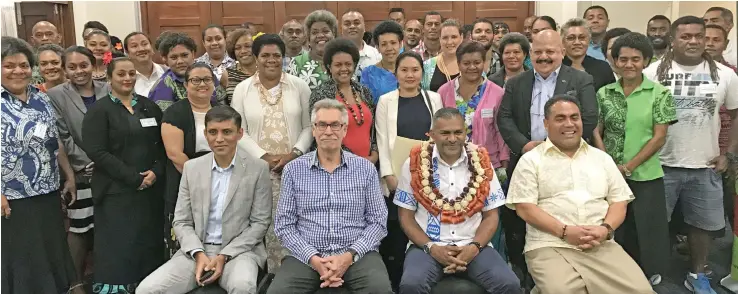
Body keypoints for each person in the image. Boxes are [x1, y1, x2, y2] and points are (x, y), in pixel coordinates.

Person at [506, 95, 655, 294]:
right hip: (550, 244)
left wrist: (605, 229)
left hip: (599, 243)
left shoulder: (601, 158)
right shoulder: (531, 160)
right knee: (561, 291)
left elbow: (619, 201)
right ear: (546, 123)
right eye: (560, 118)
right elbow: (525, 209)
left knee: (641, 290)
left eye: (574, 117)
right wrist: (565, 232)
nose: (569, 124)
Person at [496, 29, 597, 290]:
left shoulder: (581, 79)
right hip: (528, 158)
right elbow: (504, 118)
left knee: (561, 214)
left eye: (550, 51)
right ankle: (525, 269)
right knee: (521, 218)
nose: (544, 57)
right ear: (530, 55)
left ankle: (566, 272)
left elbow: (588, 118)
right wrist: (525, 145)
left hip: (567, 160)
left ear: (562, 52)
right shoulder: (516, 82)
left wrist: (558, 146)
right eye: (538, 52)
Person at [644, 16, 738, 293]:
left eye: (699, 35)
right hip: (659, 164)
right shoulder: (651, 73)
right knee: (655, 225)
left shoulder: (725, 75)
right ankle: (652, 271)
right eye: (686, 36)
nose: (694, 41)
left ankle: (697, 274)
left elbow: (735, 116)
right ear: (673, 40)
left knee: (703, 227)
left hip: (706, 164)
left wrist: (728, 154)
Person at [138, 105, 271, 294]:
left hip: (239, 252)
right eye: (213, 132)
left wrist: (224, 255)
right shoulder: (192, 168)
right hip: (196, 251)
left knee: (242, 286)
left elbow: (260, 223)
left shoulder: (258, 168)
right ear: (205, 134)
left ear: (240, 133)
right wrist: (198, 254)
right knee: (147, 290)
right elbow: (182, 221)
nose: (219, 139)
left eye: (227, 132)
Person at [268, 99, 392, 294]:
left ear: (344, 129)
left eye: (335, 125)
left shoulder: (365, 169)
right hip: (306, 256)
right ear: (314, 129)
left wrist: (349, 256)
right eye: (322, 125)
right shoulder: (293, 170)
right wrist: (314, 259)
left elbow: (378, 222)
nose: (328, 131)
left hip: (356, 254)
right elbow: (284, 225)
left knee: (380, 289)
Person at [395, 107, 520, 294]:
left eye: (458, 132)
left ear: (465, 132)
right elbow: (406, 217)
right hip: (428, 247)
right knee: (411, 285)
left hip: (474, 245)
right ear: (431, 135)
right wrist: (432, 248)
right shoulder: (414, 162)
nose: (452, 139)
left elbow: (492, 216)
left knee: (510, 284)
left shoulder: (482, 161)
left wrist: (474, 247)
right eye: (445, 133)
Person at [592, 32, 676, 285]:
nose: (629, 65)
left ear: (646, 61)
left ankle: (649, 275)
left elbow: (659, 137)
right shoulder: (604, 93)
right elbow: (597, 129)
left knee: (647, 230)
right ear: (615, 61)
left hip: (645, 174)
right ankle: (618, 274)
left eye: (635, 59)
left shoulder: (659, 93)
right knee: (617, 227)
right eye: (623, 59)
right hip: (610, 174)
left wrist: (628, 167)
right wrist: (608, 162)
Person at [1, 36, 79, 294]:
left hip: (46, 191)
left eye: (23, 65)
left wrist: (69, 176)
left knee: (49, 254)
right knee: (21, 261)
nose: (18, 71)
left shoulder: (41, 98)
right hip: (12, 198)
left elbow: (53, 139)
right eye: (9, 65)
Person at [81, 57, 166, 293]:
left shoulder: (149, 107)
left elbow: (163, 146)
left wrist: (155, 173)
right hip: (115, 193)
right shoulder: (100, 111)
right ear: (109, 78)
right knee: (120, 247)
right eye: (121, 74)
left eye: (131, 74)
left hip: (149, 192)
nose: (127, 78)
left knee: (147, 244)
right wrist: (133, 178)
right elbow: (97, 151)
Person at [231, 33, 312, 271]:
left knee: (293, 223)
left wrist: (295, 153)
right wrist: (263, 156)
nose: (271, 60)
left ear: (284, 58)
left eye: (276, 55)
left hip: (294, 169)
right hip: (257, 170)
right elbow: (238, 130)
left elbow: (309, 126)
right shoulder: (242, 90)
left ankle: (292, 274)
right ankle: (261, 277)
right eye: (265, 55)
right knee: (259, 224)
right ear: (255, 58)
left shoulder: (299, 86)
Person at [376, 51, 444, 291]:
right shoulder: (386, 101)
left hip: (429, 178)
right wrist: (389, 176)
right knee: (398, 233)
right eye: (404, 70)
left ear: (421, 73)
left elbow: (441, 136)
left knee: (427, 228)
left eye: (415, 70)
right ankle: (396, 283)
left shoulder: (434, 99)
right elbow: (382, 141)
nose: (410, 75)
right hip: (397, 178)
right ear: (396, 74)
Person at [47, 45, 111, 288]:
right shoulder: (55, 95)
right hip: (81, 172)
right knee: (80, 228)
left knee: (108, 225)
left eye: (83, 65)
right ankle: (75, 284)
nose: (78, 71)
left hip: (111, 171)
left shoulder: (109, 88)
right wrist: (90, 162)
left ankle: (108, 280)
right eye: (71, 67)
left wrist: (107, 162)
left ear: (92, 65)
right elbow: (62, 137)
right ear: (64, 70)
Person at [160, 63, 218, 257]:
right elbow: (175, 155)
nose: (202, 84)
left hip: (220, 181)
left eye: (207, 79)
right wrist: (202, 180)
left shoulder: (221, 110)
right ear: (186, 85)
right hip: (186, 180)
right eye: (195, 80)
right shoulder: (175, 112)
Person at [438, 41, 508, 175]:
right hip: (450, 165)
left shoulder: (497, 93)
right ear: (458, 64)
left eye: (477, 62)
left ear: (484, 63)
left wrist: (504, 164)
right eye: (466, 63)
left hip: (487, 164)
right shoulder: (444, 92)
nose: (472, 67)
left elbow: (501, 131)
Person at [311, 38, 377, 162]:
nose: (344, 68)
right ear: (329, 67)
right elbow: (319, 133)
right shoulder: (321, 94)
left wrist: (374, 154)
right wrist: (355, 160)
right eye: (338, 65)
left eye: (348, 64)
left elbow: (373, 129)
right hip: (336, 164)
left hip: (369, 165)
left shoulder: (364, 91)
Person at [705, 24, 737, 232]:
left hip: (725, 147)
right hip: (698, 150)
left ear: (725, 44)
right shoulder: (685, 73)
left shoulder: (732, 74)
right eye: (705, 38)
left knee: (725, 206)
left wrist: (729, 153)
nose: (709, 44)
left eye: (716, 40)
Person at [149, 32, 225, 111]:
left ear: (192, 54)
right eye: (174, 57)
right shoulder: (162, 87)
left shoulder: (207, 75)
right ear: (165, 59)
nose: (180, 61)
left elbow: (223, 107)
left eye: (184, 55)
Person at [287, 10, 338, 90]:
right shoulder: (296, 63)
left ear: (334, 34)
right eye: (314, 32)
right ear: (309, 38)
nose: (320, 35)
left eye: (325, 31)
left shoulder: (344, 61)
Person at [561, 18, 616, 91]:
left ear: (589, 40)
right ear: (563, 42)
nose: (577, 42)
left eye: (582, 38)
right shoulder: (556, 67)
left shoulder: (603, 67)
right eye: (571, 38)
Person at [361, 20, 404, 102]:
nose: (389, 48)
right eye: (384, 44)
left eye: (393, 43)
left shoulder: (410, 70)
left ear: (400, 44)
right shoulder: (368, 74)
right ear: (377, 47)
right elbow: (366, 105)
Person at [422, 19, 462, 92]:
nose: (449, 42)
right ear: (440, 39)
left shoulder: (471, 65)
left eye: (454, 37)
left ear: (461, 37)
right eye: (445, 38)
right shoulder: (426, 67)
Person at [341, 9, 382, 80]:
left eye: (356, 23)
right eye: (347, 24)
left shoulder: (377, 55)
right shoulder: (335, 55)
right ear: (341, 29)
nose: (352, 26)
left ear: (364, 27)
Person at [124, 32, 166, 98]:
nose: (141, 49)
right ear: (127, 53)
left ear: (151, 47)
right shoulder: (124, 78)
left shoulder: (167, 71)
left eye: (144, 44)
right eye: (134, 46)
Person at [221, 29, 256, 106]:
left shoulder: (264, 72)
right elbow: (221, 105)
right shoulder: (227, 74)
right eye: (237, 48)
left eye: (248, 46)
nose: (243, 51)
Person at [29, 21, 62, 85]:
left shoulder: (68, 59)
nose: (44, 38)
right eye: (39, 35)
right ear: (32, 40)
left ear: (59, 37)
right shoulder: (28, 63)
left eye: (49, 34)